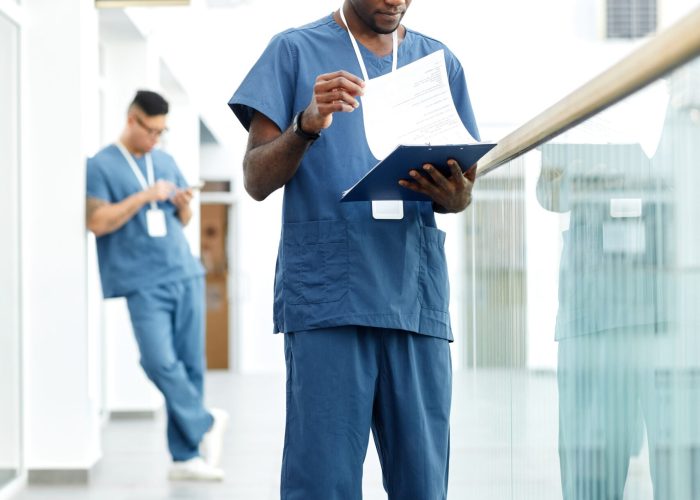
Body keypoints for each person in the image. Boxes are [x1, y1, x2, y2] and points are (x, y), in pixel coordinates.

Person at [228, 1, 479, 498]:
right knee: (322, 482)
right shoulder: (294, 51)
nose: (395, 1)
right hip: (330, 300)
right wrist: (306, 124)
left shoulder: (438, 62)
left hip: (413, 295)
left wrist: (454, 195)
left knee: (424, 483)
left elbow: (463, 191)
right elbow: (256, 179)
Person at [86, 90, 228, 481]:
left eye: (162, 132)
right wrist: (145, 195)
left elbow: (182, 219)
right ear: (132, 120)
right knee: (157, 361)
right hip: (141, 282)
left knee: (190, 365)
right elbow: (97, 222)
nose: (156, 140)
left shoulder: (164, 160)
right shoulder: (100, 165)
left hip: (184, 272)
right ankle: (204, 421)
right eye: (151, 131)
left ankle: (185, 457)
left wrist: (182, 203)